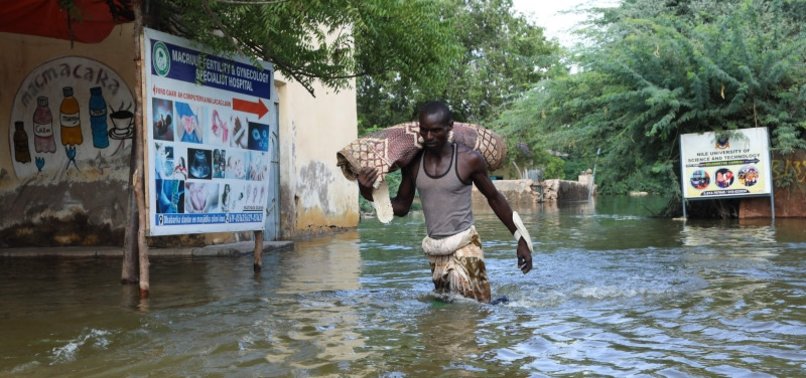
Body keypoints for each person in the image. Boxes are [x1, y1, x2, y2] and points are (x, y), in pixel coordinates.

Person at [357, 101, 533, 303]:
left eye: (436, 131)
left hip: (466, 246)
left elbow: (494, 198)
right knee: (447, 310)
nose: (429, 137)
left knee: (475, 309)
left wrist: (521, 239)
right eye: (424, 131)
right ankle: (498, 303)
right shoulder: (413, 163)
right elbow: (402, 207)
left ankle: (502, 307)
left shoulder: (469, 160)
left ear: (450, 127)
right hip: (435, 252)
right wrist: (367, 190)